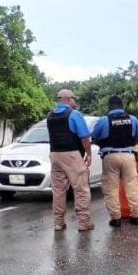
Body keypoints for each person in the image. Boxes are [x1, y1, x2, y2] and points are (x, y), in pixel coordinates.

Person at [92, 96, 138, 227]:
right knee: (132, 186)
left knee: (111, 188)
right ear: (122, 106)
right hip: (129, 156)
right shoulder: (132, 119)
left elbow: (94, 138)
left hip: (110, 156)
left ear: (109, 107)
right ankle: (136, 216)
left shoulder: (103, 120)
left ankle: (116, 219)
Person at [46, 89, 94, 232]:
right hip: (72, 155)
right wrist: (89, 153)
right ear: (67, 99)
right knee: (81, 188)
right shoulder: (74, 114)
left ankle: (58, 222)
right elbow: (84, 137)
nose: (75, 102)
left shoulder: (50, 116)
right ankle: (84, 222)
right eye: (74, 99)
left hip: (55, 155)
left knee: (58, 190)